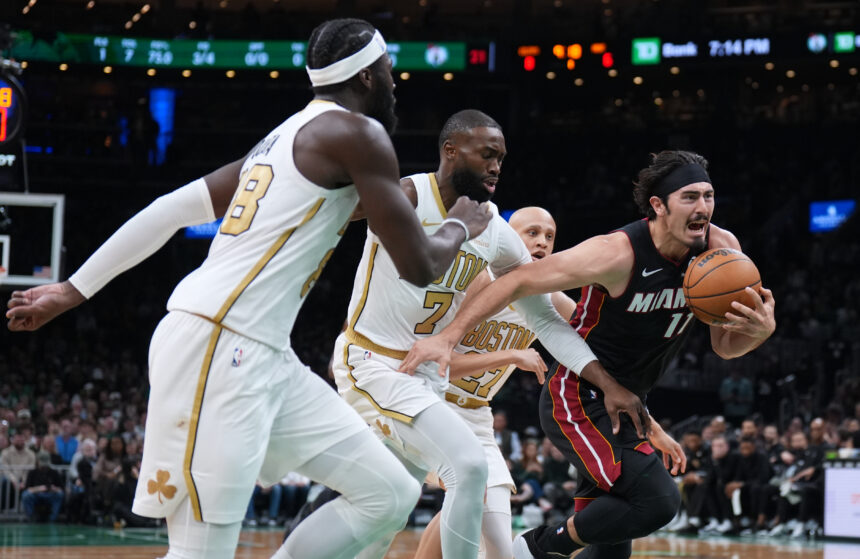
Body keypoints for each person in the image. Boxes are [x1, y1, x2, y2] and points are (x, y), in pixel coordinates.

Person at [6, 18, 493, 559]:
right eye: (389, 71)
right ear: (367, 79)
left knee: (389, 492)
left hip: (264, 353)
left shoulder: (283, 136)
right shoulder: (360, 135)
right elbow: (420, 266)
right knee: (202, 551)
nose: (396, 84)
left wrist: (75, 287)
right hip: (217, 344)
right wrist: (459, 227)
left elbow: (172, 209)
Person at [401, 150, 777, 559]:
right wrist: (449, 337)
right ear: (658, 206)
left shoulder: (721, 252)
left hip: (628, 403)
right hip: (577, 397)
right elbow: (519, 280)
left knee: (612, 551)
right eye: (689, 197)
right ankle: (536, 549)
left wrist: (759, 333)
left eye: (708, 196)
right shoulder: (616, 252)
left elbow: (724, 346)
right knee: (658, 500)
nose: (703, 207)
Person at [324, 109, 608, 559]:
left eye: (502, 157)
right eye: (487, 154)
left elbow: (548, 317)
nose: (496, 165)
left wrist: (610, 379)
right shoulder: (408, 195)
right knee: (467, 470)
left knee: (384, 509)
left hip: (427, 385)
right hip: (375, 362)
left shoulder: (496, 235)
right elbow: (350, 225)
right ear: (451, 152)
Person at [413, 206, 575, 559]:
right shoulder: (476, 280)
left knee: (499, 548)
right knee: (470, 491)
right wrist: (511, 356)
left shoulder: (552, 299)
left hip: (477, 418)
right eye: (531, 232)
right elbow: (438, 364)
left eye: (549, 236)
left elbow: (604, 341)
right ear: (505, 237)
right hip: (428, 403)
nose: (542, 242)